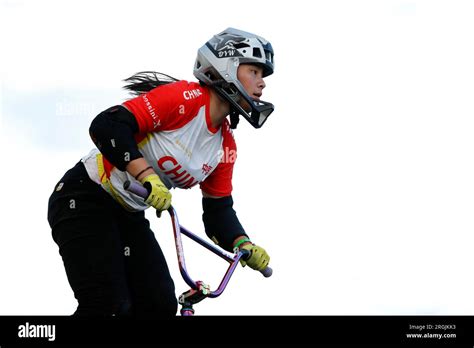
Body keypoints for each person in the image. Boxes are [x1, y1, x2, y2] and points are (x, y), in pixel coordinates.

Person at [47, 27, 274, 317]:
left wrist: (243, 243)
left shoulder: (224, 145)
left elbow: (218, 212)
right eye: (254, 71)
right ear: (227, 67)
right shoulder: (185, 98)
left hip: (128, 214)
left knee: (159, 307)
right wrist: (146, 175)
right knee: (107, 304)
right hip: (85, 197)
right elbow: (107, 126)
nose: (262, 83)